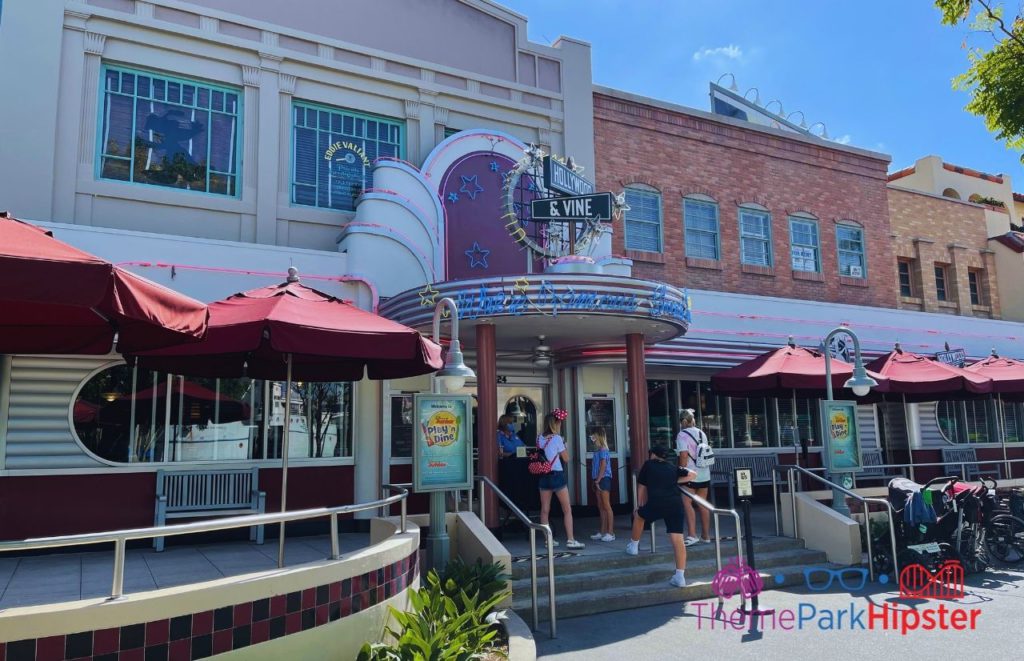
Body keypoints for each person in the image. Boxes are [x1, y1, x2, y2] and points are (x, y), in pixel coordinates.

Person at [626, 444, 694, 587]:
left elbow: (642, 486)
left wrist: (639, 505)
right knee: (677, 539)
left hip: (657, 503)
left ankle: (633, 546)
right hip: (675, 504)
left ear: (653, 455)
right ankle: (680, 576)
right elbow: (693, 474)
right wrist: (673, 481)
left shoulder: (648, 465)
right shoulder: (672, 467)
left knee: (639, 516)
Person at [537, 410, 584, 549]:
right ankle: (570, 539)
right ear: (555, 423)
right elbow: (566, 458)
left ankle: (548, 540)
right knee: (567, 509)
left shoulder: (539, 438)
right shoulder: (557, 438)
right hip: (556, 474)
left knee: (545, 510)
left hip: (543, 475)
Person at [676, 410, 712, 545]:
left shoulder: (682, 435)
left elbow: (684, 456)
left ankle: (692, 534)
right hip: (704, 473)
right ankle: (706, 535)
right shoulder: (702, 433)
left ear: (682, 422)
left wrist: (680, 470)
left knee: (687, 502)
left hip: (690, 473)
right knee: (703, 504)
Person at [589, 428, 615, 542]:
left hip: (603, 479)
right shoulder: (598, 450)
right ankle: (603, 531)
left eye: (594, 437)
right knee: (601, 506)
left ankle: (610, 532)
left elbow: (603, 466)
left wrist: (598, 480)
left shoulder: (603, 450)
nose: (592, 439)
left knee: (606, 505)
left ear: (599, 437)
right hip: (598, 479)